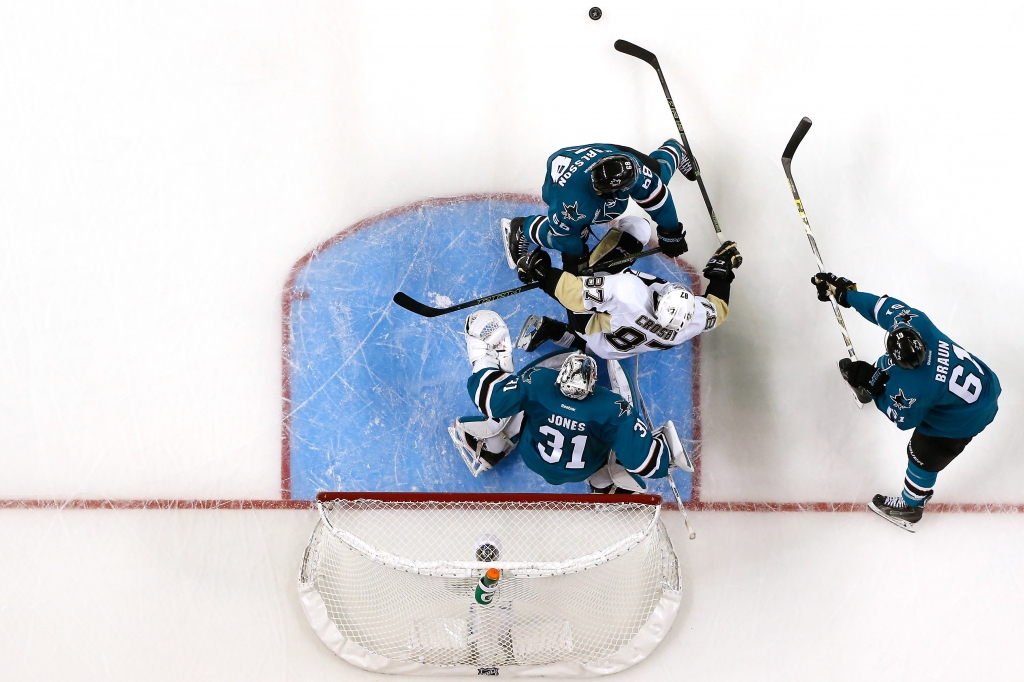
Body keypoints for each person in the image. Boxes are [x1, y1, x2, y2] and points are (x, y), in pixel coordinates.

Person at [812, 273, 1001, 532]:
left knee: (921, 454)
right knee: (882, 366)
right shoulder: (915, 321)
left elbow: (902, 418)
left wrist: (875, 389)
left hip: (966, 418)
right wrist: (844, 294)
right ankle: (872, 382)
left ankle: (911, 506)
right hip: (986, 384)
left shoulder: (917, 387)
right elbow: (878, 307)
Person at [448, 310, 689, 493]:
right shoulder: (611, 407)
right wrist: (667, 456)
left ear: (561, 375)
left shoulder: (540, 382)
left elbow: (492, 400)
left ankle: (493, 447)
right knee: (620, 441)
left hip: (534, 458)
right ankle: (604, 482)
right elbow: (644, 461)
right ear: (593, 382)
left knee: (518, 399)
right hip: (581, 470)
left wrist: (482, 359)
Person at [512, 216, 740, 360]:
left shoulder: (627, 292)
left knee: (637, 229)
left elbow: (572, 294)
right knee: (600, 334)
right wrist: (722, 273)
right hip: (612, 350)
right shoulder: (691, 320)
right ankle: (562, 334)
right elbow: (718, 309)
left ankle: (521, 229)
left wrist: (539, 273)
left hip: (589, 323)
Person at [501, 141, 698, 274]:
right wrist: (575, 258)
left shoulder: (632, 168)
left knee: (659, 174)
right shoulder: (571, 203)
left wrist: (670, 231)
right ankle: (522, 227)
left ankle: (674, 149)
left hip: (610, 152)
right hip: (562, 183)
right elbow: (564, 236)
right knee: (566, 234)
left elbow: (658, 198)